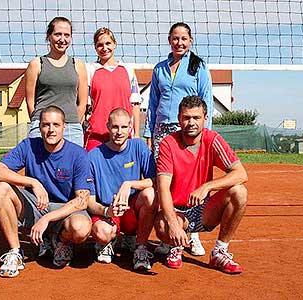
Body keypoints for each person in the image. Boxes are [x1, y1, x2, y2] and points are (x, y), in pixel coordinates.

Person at [0, 105, 92, 278]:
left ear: (64, 127)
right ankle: (15, 252)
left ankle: (60, 241)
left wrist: (47, 218)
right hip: (36, 205)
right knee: (0, 189)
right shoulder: (29, 146)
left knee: (81, 229)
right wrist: (33, 182)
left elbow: (82, 200)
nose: (51, 130)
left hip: (64, 210)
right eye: (46, 125)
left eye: (56, 125)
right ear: (39, 127)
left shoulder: (78, 154)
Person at [154, 96, 248, 274]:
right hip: (176, 210)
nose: (191, 122)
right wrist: (173, 224)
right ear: (179, 118)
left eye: (196, 118)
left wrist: (207, 187)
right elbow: (163, 188)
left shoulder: (213, 140)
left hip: (202, 209)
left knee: (239, 192)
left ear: (205, 118)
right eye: (186, 117)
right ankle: (175, 245)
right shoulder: (168, 143)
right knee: (162, 225)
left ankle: (220, 251)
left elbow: (241, 173)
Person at [143, 22, 213, 256]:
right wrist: (148, 133)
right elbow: (152, 103)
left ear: (190, 41)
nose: (179, 42)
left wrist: (205, 133)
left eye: (183, 38)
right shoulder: (159, 68)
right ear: (169, 40)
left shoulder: (198, 67)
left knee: (189, 182)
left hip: (189, 129)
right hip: (162, 130)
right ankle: (167, 234)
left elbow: (207, 102)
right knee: (165, 182)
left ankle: (192, 234)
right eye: (175, 38)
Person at [87, 108, 156, 271]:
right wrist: (106, 211)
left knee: (151, 195)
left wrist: (130, 184)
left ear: (131, 127)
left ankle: (140, 247)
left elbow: (155, 180)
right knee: (103, 233)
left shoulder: (138, 147)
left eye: (124, 127)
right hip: (107, 210)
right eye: (115, 127)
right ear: (108, 127)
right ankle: (107, 241)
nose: (119, 132)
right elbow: (88, 200)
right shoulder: (93, 156)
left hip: (131, 208)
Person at [25, 16, 88, 146]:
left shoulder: (78, 65)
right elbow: (30, 100)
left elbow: (83, 102)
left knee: (71, 166)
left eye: (67, 35)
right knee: (40, 166)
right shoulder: (37, 64)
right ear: (49, 36)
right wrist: (40, 122)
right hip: (42, 126)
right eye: (57, 34)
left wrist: (74, 121)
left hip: (71, 127)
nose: (62, 39)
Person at [84, 27, 141, 151]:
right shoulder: (89, 70)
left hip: (123, 135)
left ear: (115, 44)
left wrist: (136, 134)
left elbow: (135, 104)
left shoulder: (127, 70)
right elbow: (84, 105)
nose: (104, 48)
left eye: (108, 43)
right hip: (97, 134)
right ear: (95, 47)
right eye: (100, 45)